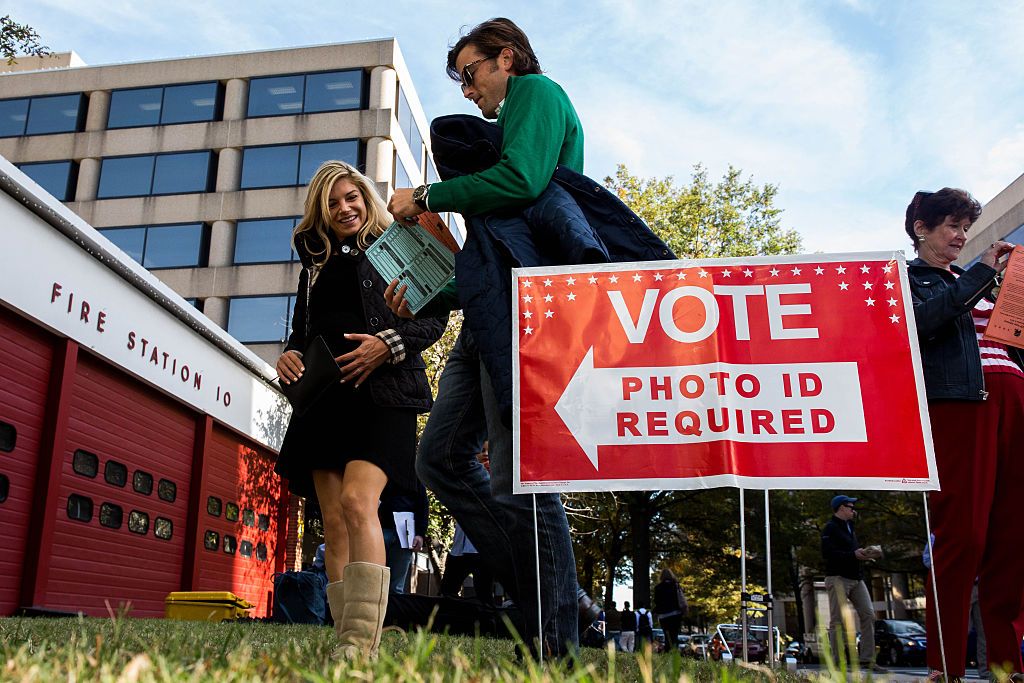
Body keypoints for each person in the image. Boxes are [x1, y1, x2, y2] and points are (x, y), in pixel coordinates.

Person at [273, 161, 446, 659]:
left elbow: (434, 316)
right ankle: (348, 639)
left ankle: (359, 641)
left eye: (351, 196)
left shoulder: (397, 246)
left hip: (383, 393)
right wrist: (289, 353)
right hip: (324, 397)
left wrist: (386, 344)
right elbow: (303, 331)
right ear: (320, 212)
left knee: (357, 503)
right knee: (331, 518)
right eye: (331, 202)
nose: (344, 208)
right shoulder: (315, 263)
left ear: (366, 198)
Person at [904, 187, 1023, 680]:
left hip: (1014, 401)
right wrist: (983, 273)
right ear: (922, 230)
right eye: (952, 226)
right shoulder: (909, 279)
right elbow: (928, 321)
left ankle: (1006, 663)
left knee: (1012, 538)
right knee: (962, 535)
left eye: (965, 228)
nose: (962, 236)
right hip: (961, 408)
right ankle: (946, 664)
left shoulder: (975, 283)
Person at [821, 495, 884, 671]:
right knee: (837, 620)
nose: (853, 510)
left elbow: (851, 551)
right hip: (838, 578)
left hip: (856, 578)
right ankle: (837, 662)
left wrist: (865, 554)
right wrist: (852, 555)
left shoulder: (850, 526)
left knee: (869, 614)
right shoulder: (830, 528)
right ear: (841, 508)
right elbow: (828, 554)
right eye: (850, 506)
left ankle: (867, 659)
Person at [378, 483, 428, 594]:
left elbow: (423, 505)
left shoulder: (414, 477)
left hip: (405, 533)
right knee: (376, 581)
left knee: (396, 587)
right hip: (381, 529)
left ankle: (393, 610)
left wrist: (420, 534)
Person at [654, 569, 687, 654]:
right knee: (674, 635)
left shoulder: (658, 588)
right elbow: (680, 598)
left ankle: (667, 651)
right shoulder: (676, 586)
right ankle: (675, 653)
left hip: (663, 616)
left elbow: (656, 601)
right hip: (675, 614)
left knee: (667, 635)